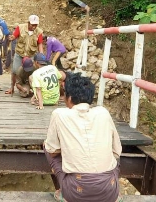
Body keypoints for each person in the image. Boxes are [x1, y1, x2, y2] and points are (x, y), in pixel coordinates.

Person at [44, 73, 122, 202]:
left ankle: (62, 191)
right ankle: (115, 193)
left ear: (68, 97)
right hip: (109, 191)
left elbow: (52, 152)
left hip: (75, 193)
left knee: (47, 147)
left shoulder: (58, 114)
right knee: (114, 159)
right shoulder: (103, 113)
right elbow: (116, 151)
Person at [7, 15, 44, 95]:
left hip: (31, 55)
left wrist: (41, 56)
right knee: (14, 71)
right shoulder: (20, 27)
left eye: (36, 25)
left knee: (32, 72)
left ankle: (31, 88)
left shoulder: (39, 32)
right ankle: (12, 88)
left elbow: (40, 44)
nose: (34, 26)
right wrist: (12, 38)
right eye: (32, 24)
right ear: (28, 23)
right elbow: (14, 36)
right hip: (20, 54)